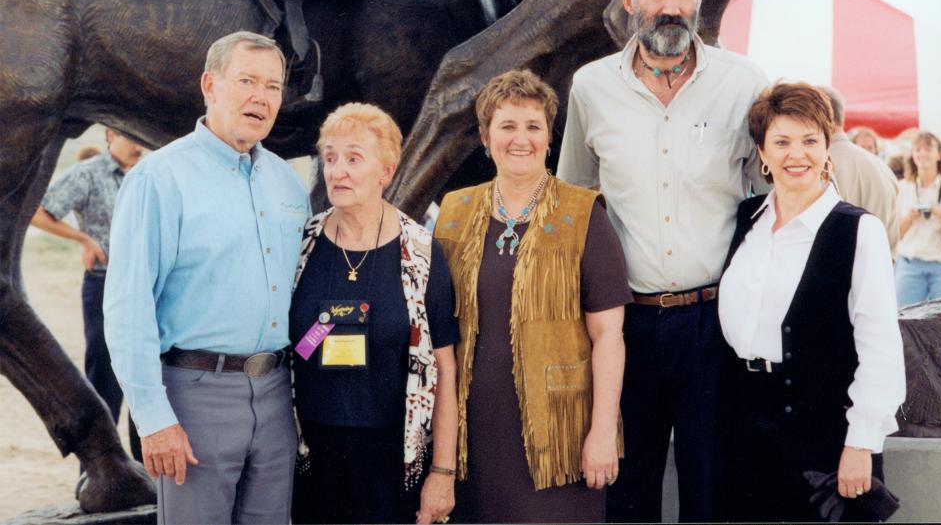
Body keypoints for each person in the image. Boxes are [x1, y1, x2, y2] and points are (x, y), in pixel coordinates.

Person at [556, 0, 767, 522]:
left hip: (713, 325)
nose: (671, 6)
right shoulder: (591, 88)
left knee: (711, 490)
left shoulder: (744, 82)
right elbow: (574, 201)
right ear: (630, 0)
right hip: (627, 328)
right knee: (629, 495)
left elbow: (772, 197)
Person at [104, 31, 311, 524]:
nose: (261, 97)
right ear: (210, 85)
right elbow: (128, 307)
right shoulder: (159, 178)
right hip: (194, 398)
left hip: (277, 396)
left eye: (274, 87)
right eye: (247, 81)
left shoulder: (288, 182)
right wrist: (153, 419)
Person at [435, 69, 631, 523]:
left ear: (549, 136)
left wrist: (602, 431)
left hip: (561, 432)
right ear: (486, 137)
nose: (519, 139)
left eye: (532, 126)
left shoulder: (583, 212)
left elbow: (609, 336)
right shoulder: (453, 212)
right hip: (475, 429)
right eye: (506, 126)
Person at [718, 82, 905, 521]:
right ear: (762, 153)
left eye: (809, 141)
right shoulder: (748, 220)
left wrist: (860, 443)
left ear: (827, 149)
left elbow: (880, 345)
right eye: (781, 142)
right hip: (746, 424)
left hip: (824, 433)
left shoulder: (858, 230)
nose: (795, 154)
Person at [289, 102, 459, 524]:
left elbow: (445, 368)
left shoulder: (419, 252)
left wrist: (442, 470)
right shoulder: (303, 244)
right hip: (311, 458)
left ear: (386, 171)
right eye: (329, 158)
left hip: (393, 461)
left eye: (353, 158)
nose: (337, 170)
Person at [30, 128, 146, 460]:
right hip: (104, 284)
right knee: (105, 375)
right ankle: (102, 467)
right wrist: (84, 240)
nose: (138, 143)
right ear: (111, 136)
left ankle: (148, 473)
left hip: (149, 290)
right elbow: (40, 212)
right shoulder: (88, 173)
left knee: (147, 374)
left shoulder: (150, 173)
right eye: (130, 136)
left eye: (141, 138)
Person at [821, 87, 899, 258]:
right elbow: (893, 237)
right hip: (879, 271)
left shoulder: (817, 165)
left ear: (820, 115)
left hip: (833, 274)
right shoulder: (883, 168)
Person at [894, 131, 941, 306]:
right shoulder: (902, 188)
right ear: (912, 156)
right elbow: (895, 235)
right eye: (918, 149)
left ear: (939, 154)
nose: (923, 153)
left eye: (928, 148)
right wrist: (909, 217)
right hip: (909, 267)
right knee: (903, 321)